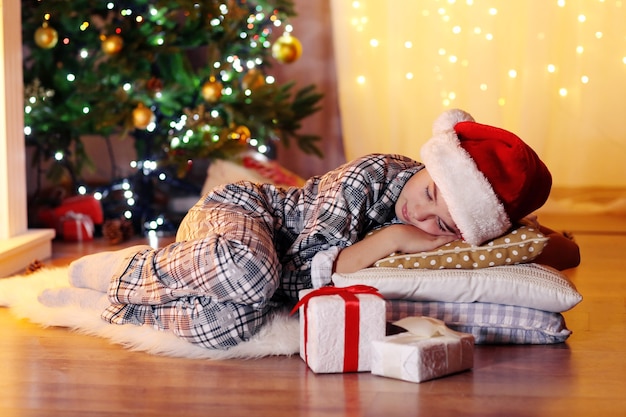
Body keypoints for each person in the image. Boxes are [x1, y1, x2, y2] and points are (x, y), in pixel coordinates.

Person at [40, 109, 580, 350]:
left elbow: (541, 239)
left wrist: (555, 244)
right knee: (255, 279)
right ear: (426, 163)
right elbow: (303, 276)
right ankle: (122, 268)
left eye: (443, 224)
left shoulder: (458, 229)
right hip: (240, 218)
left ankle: (119, 306)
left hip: (237, 275)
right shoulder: (370, 178)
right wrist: (387, 242)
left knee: (232, 327)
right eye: (429, 194)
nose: (423, 218)